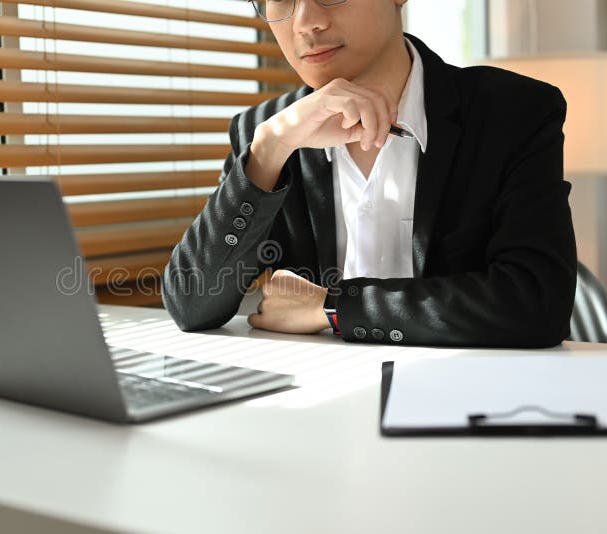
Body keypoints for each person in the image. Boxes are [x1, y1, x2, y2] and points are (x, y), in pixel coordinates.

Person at [162, 0, 577, 348]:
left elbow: (538, 303)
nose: (305, 21)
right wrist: (269, 150)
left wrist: (334, 307)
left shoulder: (514, 112)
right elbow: (191, 304)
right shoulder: (267, 133)